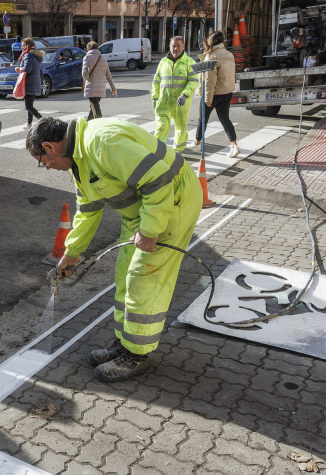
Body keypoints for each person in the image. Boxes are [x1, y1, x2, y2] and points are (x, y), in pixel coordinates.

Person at [27, 116, 203, 382]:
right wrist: (71, 253)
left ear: (50, 147)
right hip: (141, 211)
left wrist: (150, 230)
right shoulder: (80, 159)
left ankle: (136, 356)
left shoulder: (102, 142)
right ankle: (125, 344)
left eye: (43, 162)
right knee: (124, 272)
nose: (48, 167)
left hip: (172, 201)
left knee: (144, 278)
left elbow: (157, 180)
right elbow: (87, 210)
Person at [195, 31, 240, 158]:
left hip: (213, 94)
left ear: (211, 41)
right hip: (227, 92)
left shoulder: (212, 56)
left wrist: (208, 98)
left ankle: (197, 143)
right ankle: (234, 145)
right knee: (225, 119)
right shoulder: (229, 54)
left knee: (202, 119)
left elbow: (210, 80)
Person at [151, 36, 198, 151]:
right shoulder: (163, 62)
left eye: (178, 46)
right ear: (169, 47)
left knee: (180, 128)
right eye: (173, 46)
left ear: (183, 47)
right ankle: (157, 151)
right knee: (162, 127)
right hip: (163, 102)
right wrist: (155, 97)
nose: (175, 48)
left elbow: (193, 81)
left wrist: (185, 94)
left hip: (181, 103)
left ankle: (178, 152)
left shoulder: (189, 62)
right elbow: (156, 81)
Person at [81, 41, 117, 120]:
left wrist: (85, 79)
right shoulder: (103, 59)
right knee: (94, 107)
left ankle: (100, 124)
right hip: (101, 87)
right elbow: (108, 75)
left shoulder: (87, 57)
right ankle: (88, 124)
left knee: (96, 109)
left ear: (88, 49)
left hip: (91, 87)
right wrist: (113, 88)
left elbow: (84, 72)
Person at [15, 37, 44, 129]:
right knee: (30, 105)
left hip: (29, 82)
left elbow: (27, 69)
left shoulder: (28, 55)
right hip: (35, 82)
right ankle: (29, 123)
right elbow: (40, 71)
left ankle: (42, 120)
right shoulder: (36, 56)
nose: (22, 48)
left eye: (23, 46)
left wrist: (19, 69)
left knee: (28, 106)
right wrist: (41, 82)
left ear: (28, 45)